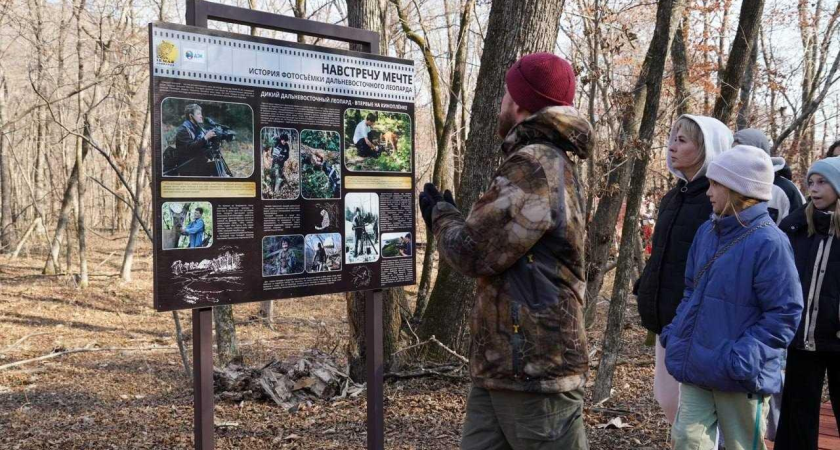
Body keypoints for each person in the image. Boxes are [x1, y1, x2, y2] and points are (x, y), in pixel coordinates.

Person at [419, 52, 592, 450]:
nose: (501, 101)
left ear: (519, 103)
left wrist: (441, 217)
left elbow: (472, 252)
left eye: (505, 93)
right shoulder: (550, 163)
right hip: (506, 367)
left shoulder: (534, 166)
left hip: (535, 372)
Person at [660, 145, 803, 450]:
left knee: (741, 446)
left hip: (740, 375)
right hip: (699, 364)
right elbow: (690, 290)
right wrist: (677, 332)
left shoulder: (770, 242)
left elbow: (785, 313)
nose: (708, 192)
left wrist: (742, 357)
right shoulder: (706, 232)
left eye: (716, 184)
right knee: (687, 439)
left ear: (740, 189)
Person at [635, 114, 732, 424]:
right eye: (672, 138)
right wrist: (646, 284)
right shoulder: (672, 197)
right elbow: (662, 253)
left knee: (696, 412)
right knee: (667, 400)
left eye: (682, 140)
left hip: (699, 324)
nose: (672, 146)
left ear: (706, 149)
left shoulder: (718, 201)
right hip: (666, 318)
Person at [774, 157, 840, 450]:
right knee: (796, 420)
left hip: (838, 339)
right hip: (802, 338)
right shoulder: (796, 227)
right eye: (810, 182)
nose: (813, 189)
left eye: (822, 182)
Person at [733, 128, 805, 224]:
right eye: (732, 153)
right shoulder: (728, 186)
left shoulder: (785, 190)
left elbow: (799, 229)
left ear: (760, 153)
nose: (734, 158)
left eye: (742, 152)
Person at [172, 104, 218, 177]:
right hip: (188, 167)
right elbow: (190, 148)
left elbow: (202, 145)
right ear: (191, 116)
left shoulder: (198, 128)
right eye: (198, 114)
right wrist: (205, 138)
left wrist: (214, 140)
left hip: (198, 163)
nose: (201, 116)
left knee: (217, 168)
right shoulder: (183, 130)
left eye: (201, 113)